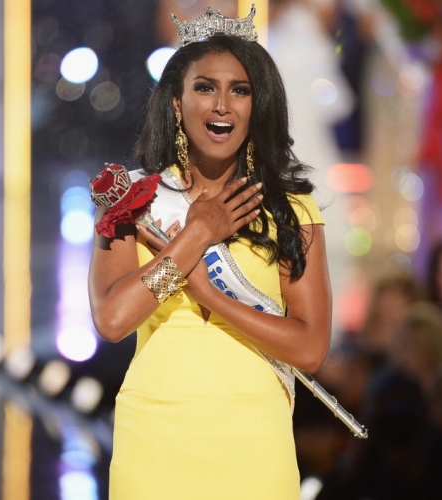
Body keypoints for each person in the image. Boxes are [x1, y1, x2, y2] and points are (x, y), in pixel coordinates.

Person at [88, 7, 332, 499]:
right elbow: (112, 320)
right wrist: (196, 235)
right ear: (177, 102)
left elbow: (309, 349)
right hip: (154, 440)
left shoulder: (290, 208)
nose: (222, 105)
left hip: (254, 442)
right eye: (205, 87)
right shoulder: (132, 200)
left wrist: (210, 296)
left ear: (257, 105)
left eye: (239, 90)